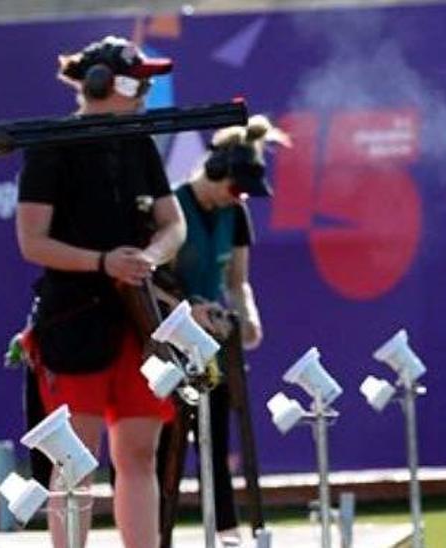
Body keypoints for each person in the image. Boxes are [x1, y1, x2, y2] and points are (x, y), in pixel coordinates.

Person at [15, 36, 186, 548]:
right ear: (100, 84)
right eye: (138, 82)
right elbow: (33, 242)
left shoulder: (138, 143)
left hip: (135, 320)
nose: (146, 92)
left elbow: (172, 224)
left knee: (138, 453)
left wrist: (149, 259)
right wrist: (102, 262)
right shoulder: (52, 146)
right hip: (74, 319)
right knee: (75, 459)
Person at [157, 115, 286, 546]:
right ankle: (155, 534)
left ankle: (228, 533)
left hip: (213, 343)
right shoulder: (172, 206)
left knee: (216, 438)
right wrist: (188, 310)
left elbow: (237, 282)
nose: (239, 198)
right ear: (214, 172)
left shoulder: (237, 214)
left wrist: (248, 316)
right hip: (167, 341)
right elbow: (153, 281)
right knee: (164, 443)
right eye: (235, 187)